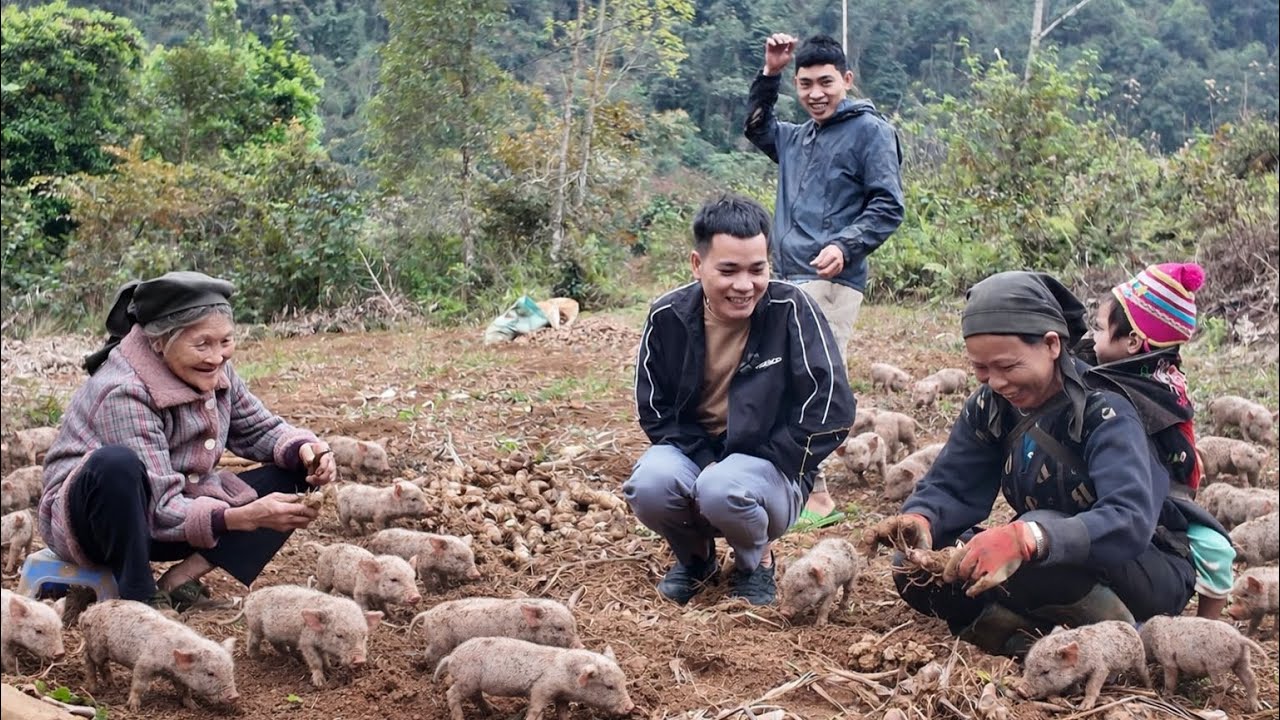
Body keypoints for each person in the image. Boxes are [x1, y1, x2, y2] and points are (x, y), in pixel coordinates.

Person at [862, 271, 1196, 657]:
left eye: (1007, 366)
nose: (995, 381)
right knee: (914, 569)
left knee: (1034, 551)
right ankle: (1024, 634)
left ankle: (1114, 638)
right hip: (1047, 560)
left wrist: (1027, 539)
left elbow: (1129, 519)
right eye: (981, 368)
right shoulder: (989, 406)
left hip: (1141, 567)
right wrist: (921, 520)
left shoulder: (1105, 412)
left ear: (1052, 344)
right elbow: (951, 485)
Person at [39, 271, 338, 612]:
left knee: (297, 471)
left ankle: (177, 582)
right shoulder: (123, 390)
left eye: (225, 342)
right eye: (203, 344)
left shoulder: (214, 371)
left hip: (178, 512)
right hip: (98, 525)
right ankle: (139, 598)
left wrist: (306, 450)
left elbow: (259, 429)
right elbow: (159, 505)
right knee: (115, 466)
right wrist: (242, 517)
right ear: (159, 342)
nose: (217, 356)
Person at [624, 194, 856, 606]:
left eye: (757, 269)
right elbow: (654, 408)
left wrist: (770, 457)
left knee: (723, 485)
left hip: (771, 468)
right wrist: (705, 459)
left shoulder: (791, 309)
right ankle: (696, 559)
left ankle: (756, 561)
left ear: (770, 263)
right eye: (728, 270)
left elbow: (831, 406)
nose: (744, 285)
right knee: (648, 484)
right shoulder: (668, 317)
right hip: (696, 455)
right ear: (698, 265)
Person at [744, 32, 905, 527]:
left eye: (827, 83)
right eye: (806, 83)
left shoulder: (869, 132)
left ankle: (815, 494)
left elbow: (888, 205)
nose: (816, 93)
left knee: (810, 382)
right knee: (775, 377)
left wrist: (846, 244)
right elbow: (756, 127)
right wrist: (770, 72)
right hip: (786, 276)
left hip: (831, 279)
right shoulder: (796, 138)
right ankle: (798, 484)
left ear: (847, 80)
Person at [1085, 262, 1235, 619]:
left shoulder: (1157, 389)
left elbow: (1177, 452)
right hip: (1121, 487)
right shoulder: (1119, 374)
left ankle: (1205, 629)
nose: (1091, 337)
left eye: (1100, 329)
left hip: (1162, 492)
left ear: (1133, 342)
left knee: (1217, 548)